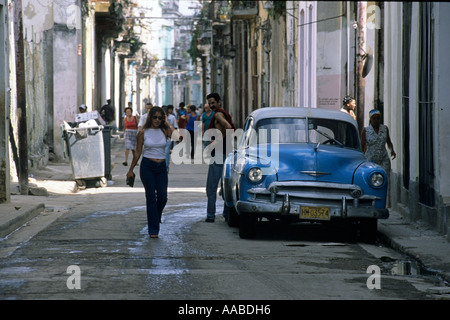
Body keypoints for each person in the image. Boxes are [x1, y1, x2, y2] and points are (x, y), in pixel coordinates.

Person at [126, 106, 180, 238]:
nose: (157, 120)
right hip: (147, 166)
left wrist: (167, 123)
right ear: (150, 117)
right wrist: (131, 170)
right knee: (151, 198)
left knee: (162, 198)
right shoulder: (143, 132)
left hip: (161, 167)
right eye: (154, 117)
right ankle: (153, 230)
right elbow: (138, 152)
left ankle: (156, 215)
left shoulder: (165, 130)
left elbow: (179, 138)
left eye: (160, 117)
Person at [205, 93, 235, 223]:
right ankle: (226, 213)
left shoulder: (218, 114)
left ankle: (210, 216)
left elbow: (229, 128)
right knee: (225, 186)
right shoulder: (223, 113)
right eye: (209, 103)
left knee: (211, 187)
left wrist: (216, 141)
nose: (211, 106)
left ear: (219, 102)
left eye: (213, 103)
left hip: (219, 154)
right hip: (227, 153)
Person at [360, 109, 396, 178]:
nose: (376, 120)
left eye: (378, 118)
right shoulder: (366, 130)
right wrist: (361, 157)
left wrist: (392, 150)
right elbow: (362, 145)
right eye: (374, 118)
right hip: (370, 159)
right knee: (372, 178)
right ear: (370, 119)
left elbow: (388, 141)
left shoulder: (384, 128)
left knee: (385, 177)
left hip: (383, 158)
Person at [164, 105, 178, 172]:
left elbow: (175, 127)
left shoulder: (172, 117)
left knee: (166, 153)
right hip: (160, 139)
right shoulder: (158, 118)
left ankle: (166, 167)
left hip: (168, 139)